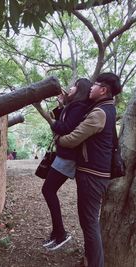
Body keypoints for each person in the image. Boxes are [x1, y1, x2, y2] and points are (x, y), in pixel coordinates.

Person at [57, 73, 122, 267]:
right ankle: (88, 261)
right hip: (95, 173)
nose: (91, 88)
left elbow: (74, 138)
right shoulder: (105, 109)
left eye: (94, 85)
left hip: (93, 175)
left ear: (103, 90)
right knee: (88, 222)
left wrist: (59, 139)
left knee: (89, 223)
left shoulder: (99, 113)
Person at [41, 78, 93, 251]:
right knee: (48, 191)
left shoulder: (79, 107)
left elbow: (64, 128)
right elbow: (63, 122)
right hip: (63, 155)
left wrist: (47, 114)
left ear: (80, 90)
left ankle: (61, 233)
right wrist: (62, 104)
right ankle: (57, 233)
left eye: (74, 86)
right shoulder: (73, 106)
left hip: (69, 157)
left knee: (48, 190)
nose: (69, 88)